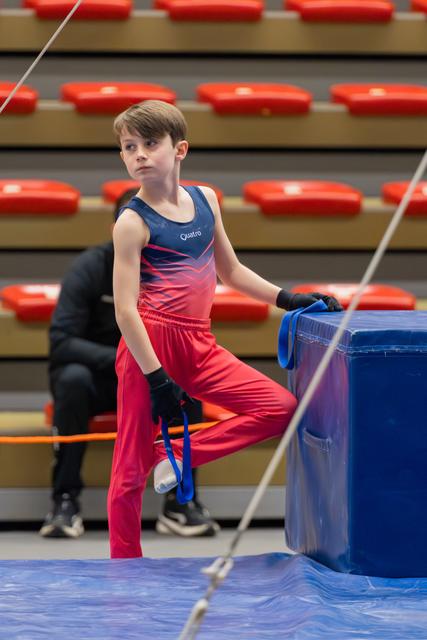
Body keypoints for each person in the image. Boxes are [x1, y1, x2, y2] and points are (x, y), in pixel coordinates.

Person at [108, 100, 342, 559]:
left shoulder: (206, 201)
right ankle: (125, 567)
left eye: (150, 144)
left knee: (279, 407)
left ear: (180, 149)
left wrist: (287, 298)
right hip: (148, 344)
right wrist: (156, 377)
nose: (138, 155)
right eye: (129, 147)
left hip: (198, 339)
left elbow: (230, 272)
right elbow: (124, 311)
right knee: (128, 470)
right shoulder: (132, 222)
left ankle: (172, 454)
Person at [39, 188, 219, 539]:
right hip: (101, 378)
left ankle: (181, 503)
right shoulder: (91, 267)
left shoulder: (176, 270)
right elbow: (62, 342)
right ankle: (65, 502)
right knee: (71, 381)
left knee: (188, 387)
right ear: (118, 227)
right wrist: (126, 361)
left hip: (152, 377)